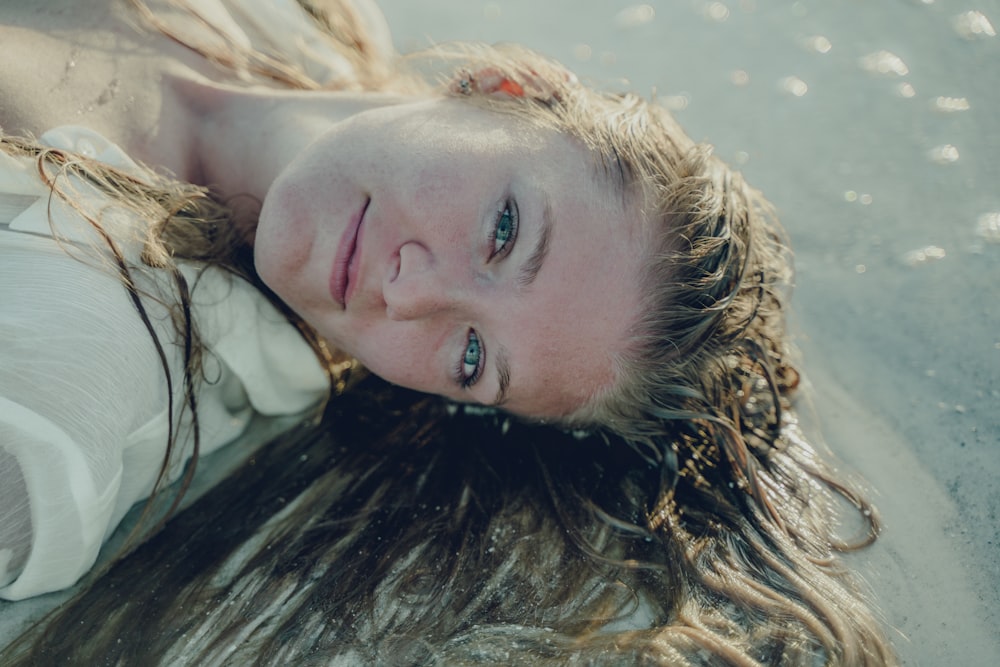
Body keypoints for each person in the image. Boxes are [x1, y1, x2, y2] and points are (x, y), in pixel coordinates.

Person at [0, 0, 899, 664]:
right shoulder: (296, 20)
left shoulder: (78, 372)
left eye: (472, 356)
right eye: (505, 232)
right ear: (509, 89)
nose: (414, 292)